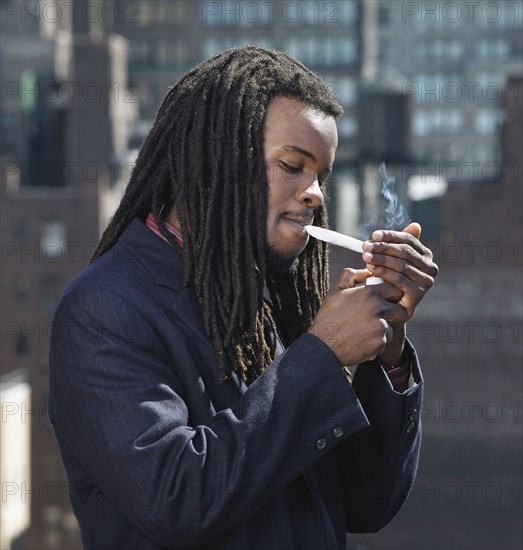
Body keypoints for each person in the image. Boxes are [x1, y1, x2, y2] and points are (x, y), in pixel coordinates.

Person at [48, 46, 438, 549]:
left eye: (320, 173)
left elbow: (364, 503)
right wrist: (322, 354)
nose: (316, 192)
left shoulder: (271, 301)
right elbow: (179, 498)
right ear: (217, 159)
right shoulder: (103, 309)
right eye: (293, 166)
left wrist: (388, 349)